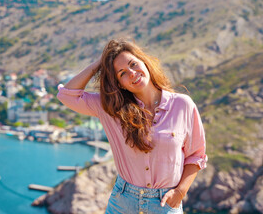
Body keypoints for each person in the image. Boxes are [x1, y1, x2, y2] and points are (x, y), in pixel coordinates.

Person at [57, 38, 207, 214]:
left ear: (144, 61)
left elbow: (196, 155)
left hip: (165, 205)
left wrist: (180, 191)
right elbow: (67, 96)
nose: (132, 73)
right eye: (122, 73)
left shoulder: (182, 105)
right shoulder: (111, 109)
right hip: (122, 203)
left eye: (133, 64)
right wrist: (100, 63)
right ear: (119, 84)